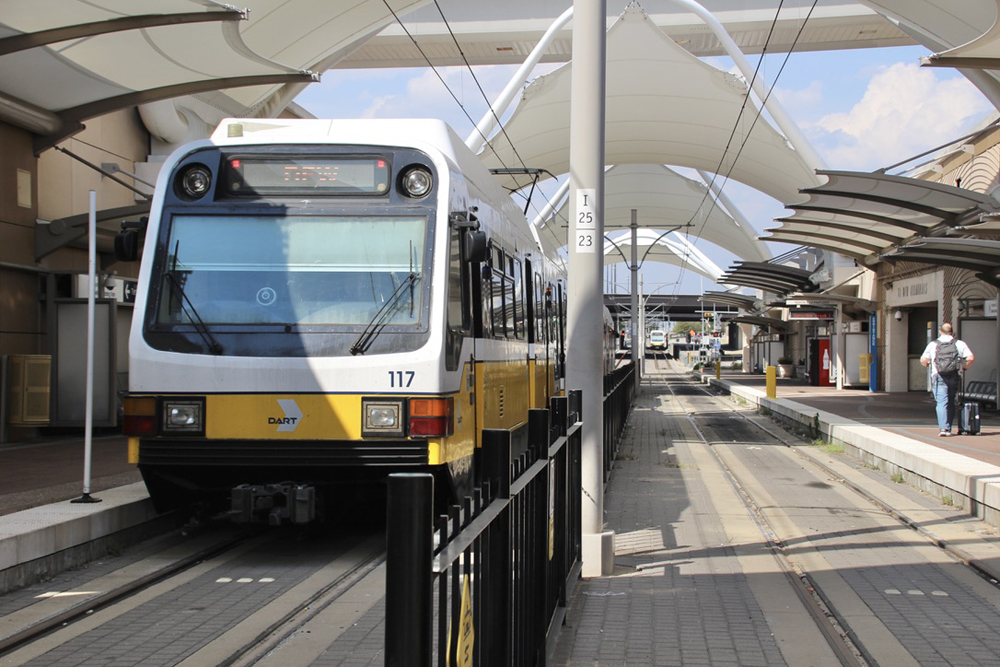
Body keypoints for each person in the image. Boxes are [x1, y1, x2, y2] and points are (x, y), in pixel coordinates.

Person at [920, 323, 974, 436]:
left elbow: (923, 360)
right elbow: (970, 358)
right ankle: (948, 427)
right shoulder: (959, 343)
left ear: (940, 331)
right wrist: (965, 367)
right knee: (951, 401)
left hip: (939, 375)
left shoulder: (933, 344)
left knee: (941, 402)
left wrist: (928, 365)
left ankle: (943, 429)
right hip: (954, 375)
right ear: (952, 332)